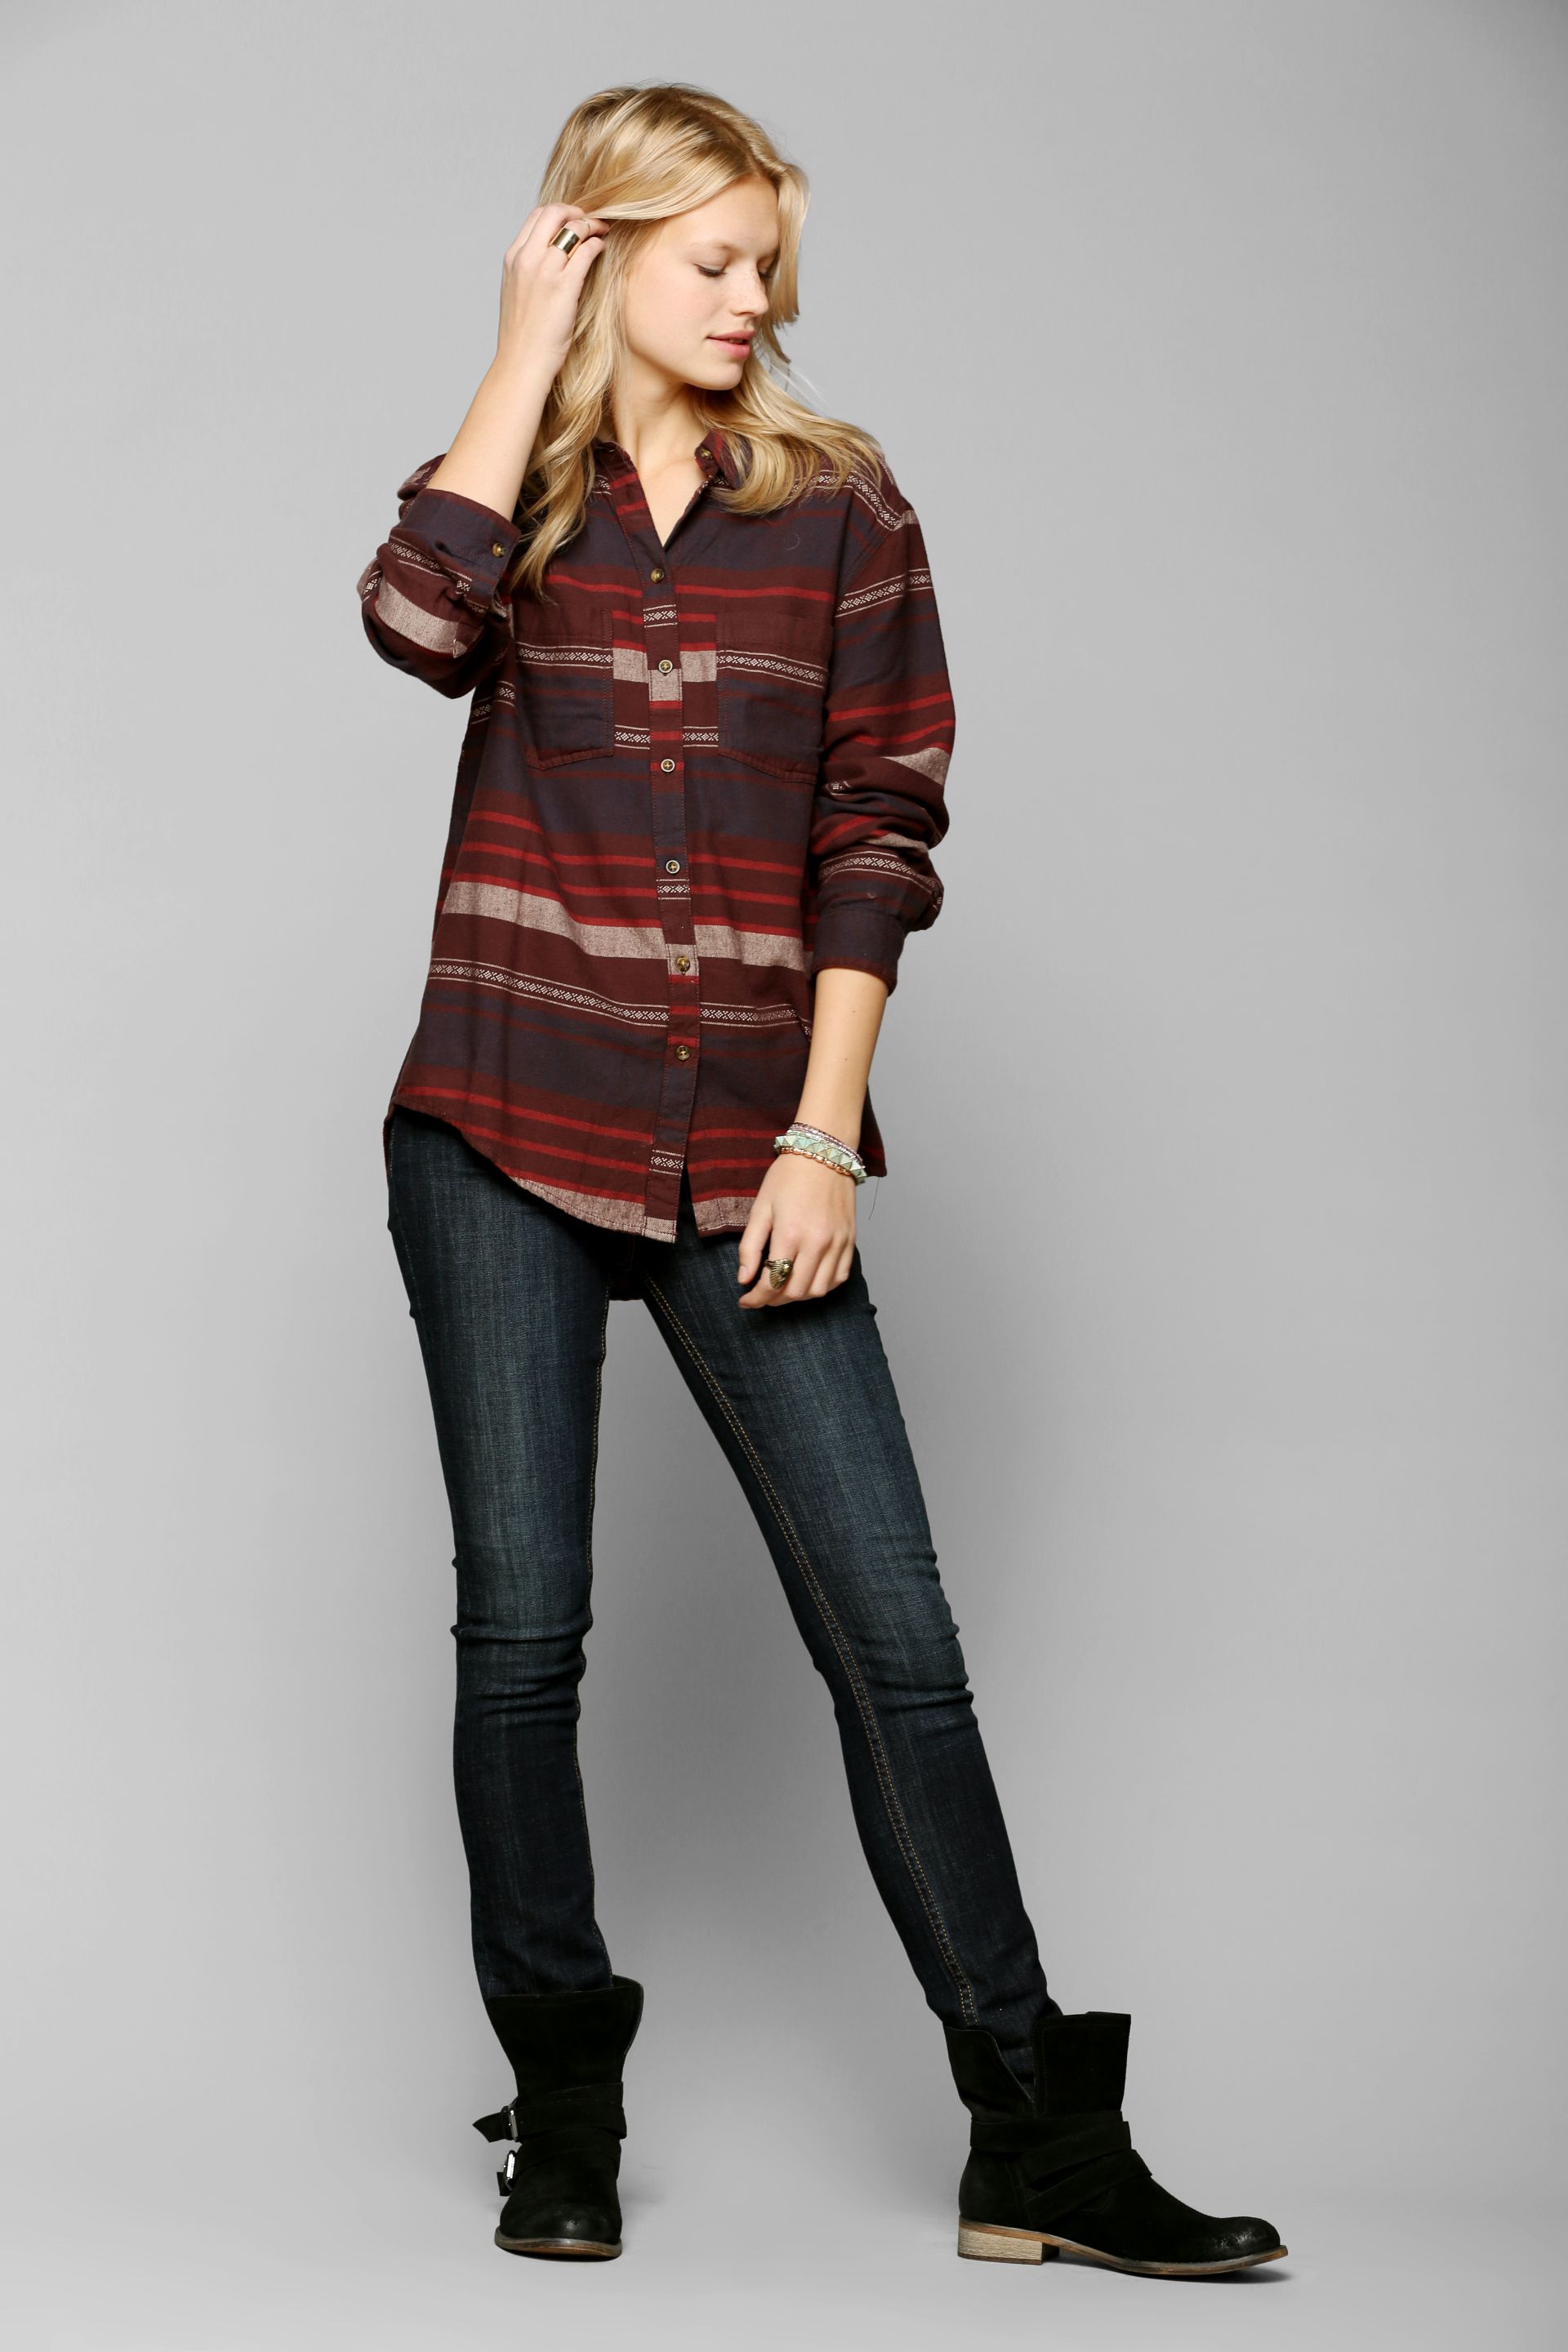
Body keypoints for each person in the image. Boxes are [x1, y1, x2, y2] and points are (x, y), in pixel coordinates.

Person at [357, 80, 1286, 2280]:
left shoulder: (843, 506)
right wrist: (519, 349)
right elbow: (412, 624)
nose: (755, 300)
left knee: (898, 1647)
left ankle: (1034, 2137)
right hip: (501, 1116)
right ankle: (563, 2106)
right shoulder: (517, 501)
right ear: (596, 249)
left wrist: (816, 1136)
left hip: (747, 1143)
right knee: (524, 1638)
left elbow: (879, 828)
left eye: (770, 264)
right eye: (712, 260)